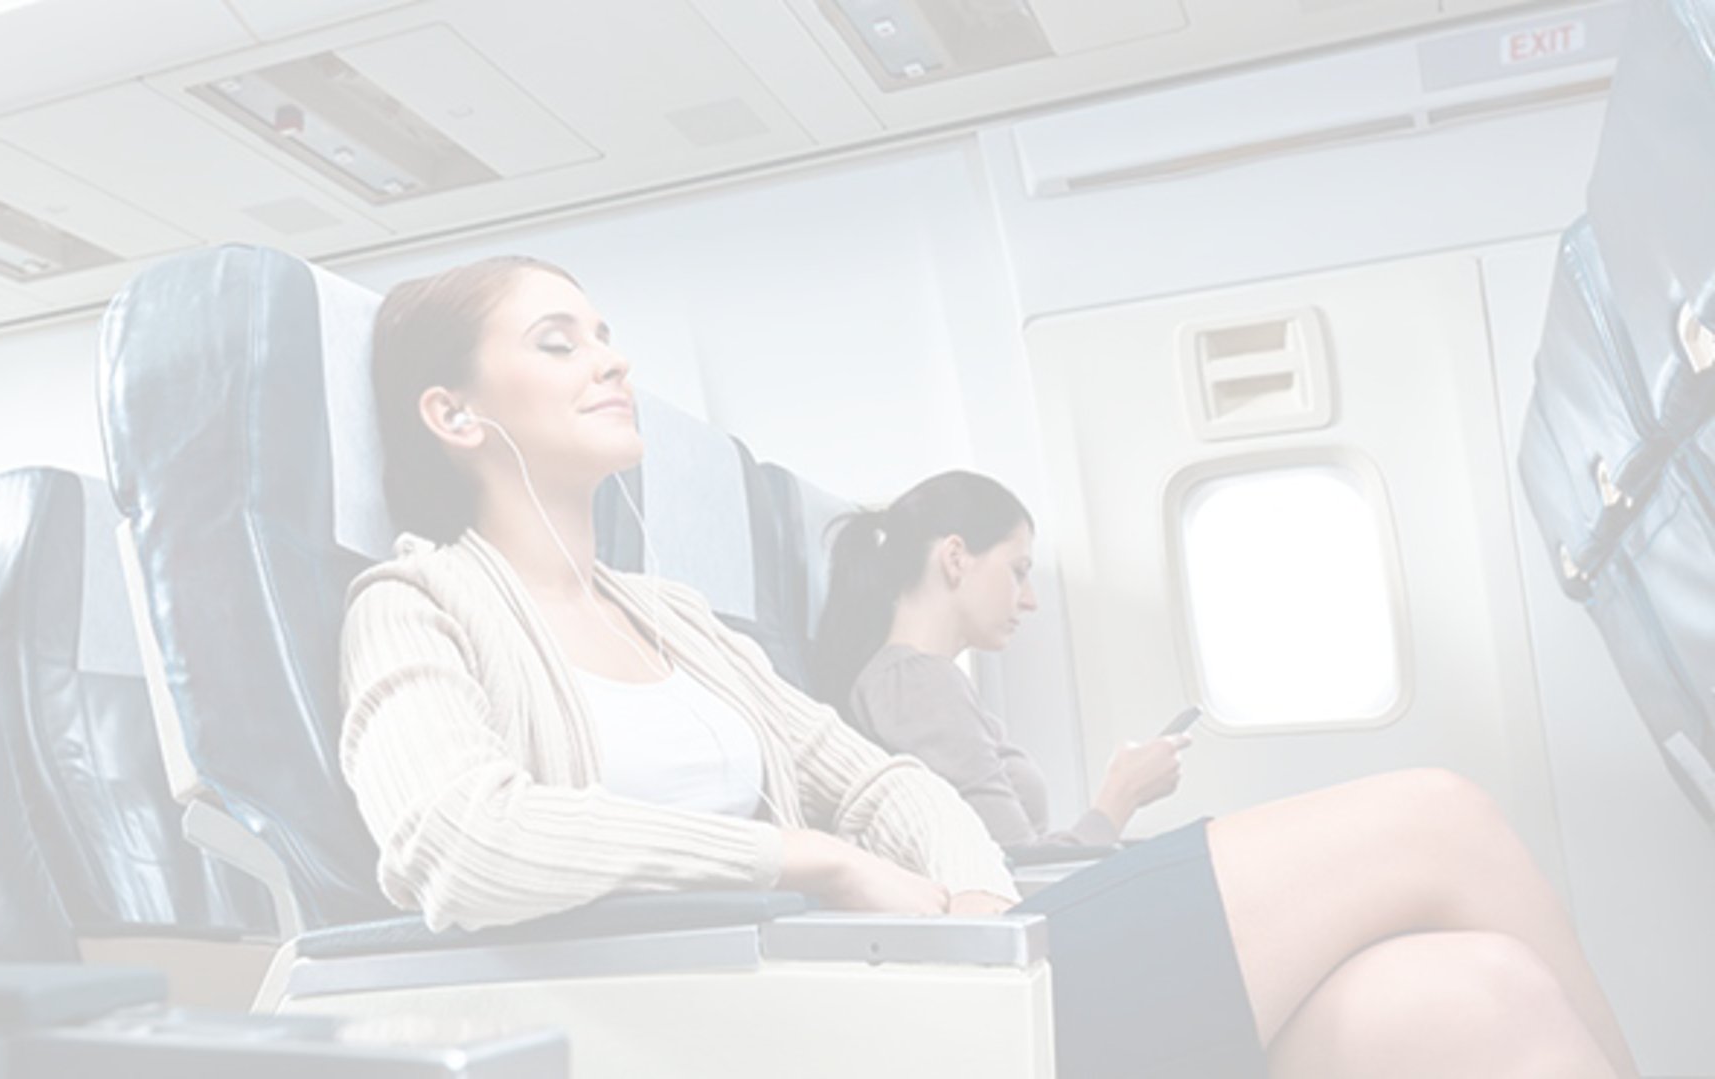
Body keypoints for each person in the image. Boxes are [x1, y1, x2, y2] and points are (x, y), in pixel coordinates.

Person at [339, 254, 1640, 1078]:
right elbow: (458, 840)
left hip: (931, 981)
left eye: (606, 329)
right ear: (456, 414)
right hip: (783, 1016)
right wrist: (816, 862)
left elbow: (880, 784)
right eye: (557, 340)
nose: (611, 355)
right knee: (1436, 815)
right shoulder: (413, 606)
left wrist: (966, 910)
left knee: (1474, 994)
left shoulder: (674, 616)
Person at [811, 471, 1186, 849]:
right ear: (956, 559)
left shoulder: (918, 682)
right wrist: (1120, 798)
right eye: (1017, 572)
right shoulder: (918, 683)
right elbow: (1018, 866)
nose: (1030, 600)